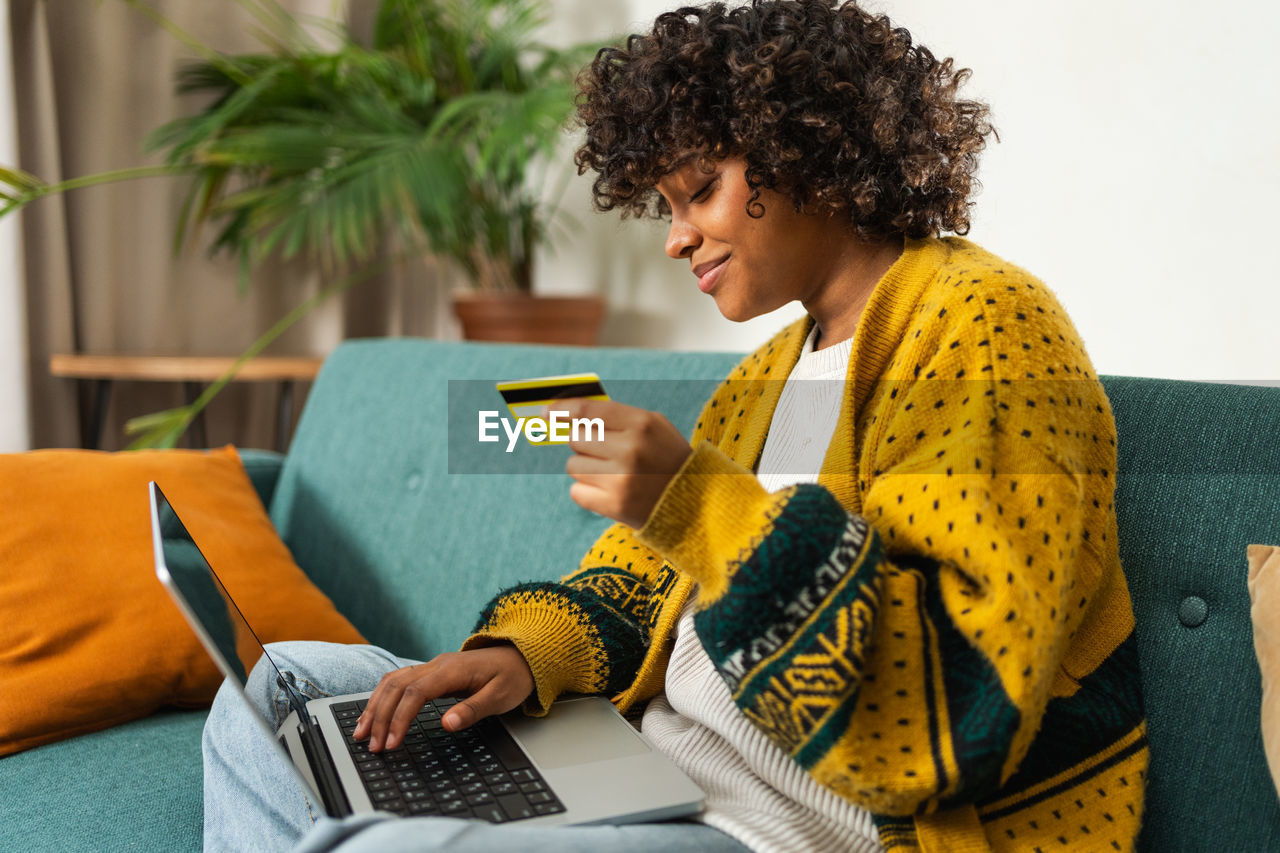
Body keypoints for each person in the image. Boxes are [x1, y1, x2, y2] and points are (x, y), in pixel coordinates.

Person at [203, 1, 1148, 850]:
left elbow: (963, 702)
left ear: (805, 150)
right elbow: (636, 585)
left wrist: (694, 502)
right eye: (665, 206)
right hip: (651, 769)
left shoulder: (982, 324)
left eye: (700, 190)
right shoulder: (768, 378)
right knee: (282, 681)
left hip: (783, 828)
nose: (674, 236)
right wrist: (521, 655)